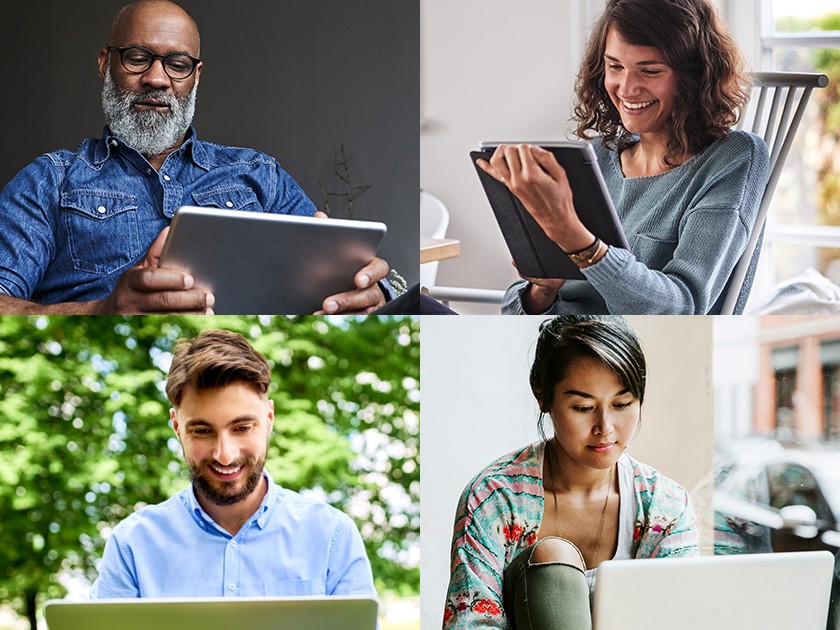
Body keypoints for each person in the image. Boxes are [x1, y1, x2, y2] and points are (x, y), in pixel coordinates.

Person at [0, 0, 394, 315]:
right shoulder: (48, 180)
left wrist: (372, 291)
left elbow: (337, 279)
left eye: (177, 64)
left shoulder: (258, 173)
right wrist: (102, 311)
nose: (157, 79)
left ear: (196, 76)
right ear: (106, 65)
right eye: (137, 58)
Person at [477, 0, 769, 315]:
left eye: (650, 70)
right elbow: (512, 310)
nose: (626, 88)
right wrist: (542, 291)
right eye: (615, 67)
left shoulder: (732, 158)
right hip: (549, 342)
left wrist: (578, 241)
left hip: (623, 349)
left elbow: (681, 308)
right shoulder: (596, 157)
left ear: (694, 76)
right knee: (417, 301)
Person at [443, 316, 698, 629]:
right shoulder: (494, 497)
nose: (605, 428)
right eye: (583, 407)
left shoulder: (667, 505)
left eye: (622, 404)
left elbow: (678, 618)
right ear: (543, 396)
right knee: (554, 556)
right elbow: (470, 622)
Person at [91, 329, 376, 598]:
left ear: (269, 419)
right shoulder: (131, 546)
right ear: (177, 427)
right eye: (202, 431)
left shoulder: (331, 536)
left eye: (241, 428)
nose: (224, 455)